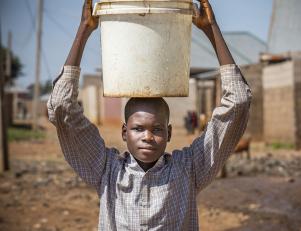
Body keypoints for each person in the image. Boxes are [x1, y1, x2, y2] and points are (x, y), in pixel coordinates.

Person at [47, 0, 252, 230]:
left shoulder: (189, 169)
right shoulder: (106, 170)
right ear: (124, 132)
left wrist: (210, 28)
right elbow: (61, 105)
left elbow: (238, 102)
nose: (147, 137)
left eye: (157, 129)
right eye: (138, 129)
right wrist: (84, 30)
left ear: (169, 132)